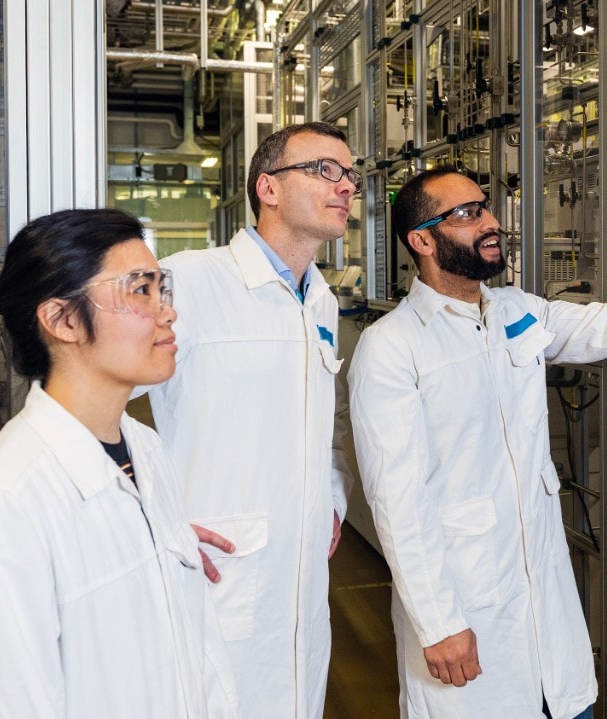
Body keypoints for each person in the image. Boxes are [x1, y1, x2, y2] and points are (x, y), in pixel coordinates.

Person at [348, 168, 607, 719]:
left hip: (547, 614)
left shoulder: (515, 311)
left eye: (485, 207)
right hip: (465, 610)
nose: (490, 222)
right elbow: (397, 503)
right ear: (422, 239)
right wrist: (439, 623)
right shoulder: (391, 347)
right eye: (467, 214)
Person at [0, 209, 241, 718]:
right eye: (140, 289)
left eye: (163, 288)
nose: (168, 312)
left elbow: (193, 662)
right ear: (63, 320)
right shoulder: (1, 507)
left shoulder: (146, 453)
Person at [143, 121, 357, 718]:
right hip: (221, 572)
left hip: (302, 577)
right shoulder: (188, 280)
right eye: (324, 170)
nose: (345, 187)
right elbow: (89, 396)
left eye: (350, 176)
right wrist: (147, 514)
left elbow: (320, 418)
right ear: (268, 187)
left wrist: (332, 496)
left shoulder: (322, 299)